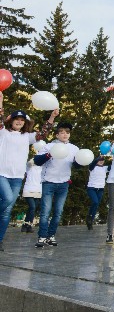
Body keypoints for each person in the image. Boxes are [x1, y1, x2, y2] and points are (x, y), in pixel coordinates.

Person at [0, 97, 52, 251]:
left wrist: (52, 117)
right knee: (8, 199)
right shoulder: (3, 132)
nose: (19, 121)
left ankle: (0, 240)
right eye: (17, 118)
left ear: (25, 123)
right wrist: (1, 102)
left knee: (7, 210)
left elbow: (43, 133)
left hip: (17, 177)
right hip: (1, 173)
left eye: (22, 120)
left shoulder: (27, 137)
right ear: (11, 120)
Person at [33, 120, 89, 247]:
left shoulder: (74, 149)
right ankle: (42, 237)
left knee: (58, 212)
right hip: (48, 182)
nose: (65, 134)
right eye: (62, 132)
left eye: (67, 132)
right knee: (45, 212)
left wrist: (79, 163)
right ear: (57, 134)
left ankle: (51, 236)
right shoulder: (49, 146)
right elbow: (37, 161)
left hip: (63, 184)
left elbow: (77, 165)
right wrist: (48, 155)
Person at [21, 144, 46, 233]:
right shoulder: (30, 166)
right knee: (32, 207)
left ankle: (26, 225)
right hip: (29, 189)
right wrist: (36, 158)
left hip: (38, 190)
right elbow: (29, 163)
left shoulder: (43, 167)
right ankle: (28, 224)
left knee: (33, 208)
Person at [86, 155, 109, 230]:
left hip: (100, 189)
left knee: (96, 205)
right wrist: (98, 158)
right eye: (100, 160)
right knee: (95, 202)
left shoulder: (105, 168)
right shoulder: (92, 168)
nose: (101, 161)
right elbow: (92, 164)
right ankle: (89, 216)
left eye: (102, 160)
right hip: (92, 188)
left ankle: (90, 222)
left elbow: (113, 166)